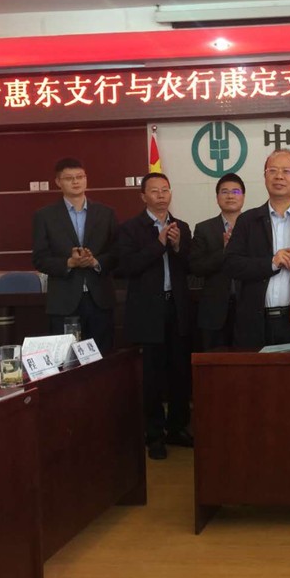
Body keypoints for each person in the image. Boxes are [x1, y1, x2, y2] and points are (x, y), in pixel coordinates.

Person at [117, 172, 193, 460]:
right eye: (155, 191)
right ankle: (154, 434)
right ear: (143, 196)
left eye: (165, 190)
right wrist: (159, 244)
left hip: (177, 308)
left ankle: (177, 428)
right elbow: (126, 267)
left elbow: (191, 265)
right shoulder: (130, 229)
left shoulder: (181, 226)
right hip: (148, 312)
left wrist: (177, 246)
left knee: (179, 372)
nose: (161, 195)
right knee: (152, 376)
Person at [225, 150, 290, 348]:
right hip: (256, 324)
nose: (279, 176)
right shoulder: (248, 220)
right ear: (265, 176)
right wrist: (272, 262)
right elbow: (231, 264)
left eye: (287, 171)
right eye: (272, 170)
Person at [31, 157, 117, 353]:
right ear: (58, 182)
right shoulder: (44, 216)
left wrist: (95, 261)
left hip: (100, 300)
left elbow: (116, 253)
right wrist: (69, 262)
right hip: (64, 301)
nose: (76, 182)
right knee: (66, 359)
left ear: (86, 179)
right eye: (69, 178)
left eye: (80, 177)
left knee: (102, 357)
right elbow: (39, 259)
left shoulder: (106, 213)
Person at [189, 173, 246, 351]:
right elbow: (196, 267)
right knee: (214, 361)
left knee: (248, 360)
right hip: (214, 311)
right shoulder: (204, 229)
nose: (230, 196)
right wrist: (224, 251)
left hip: (248, 308)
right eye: (225, 192)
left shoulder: (254, 226)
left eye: (236, 192)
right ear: (217, 197)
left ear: (243, 197)